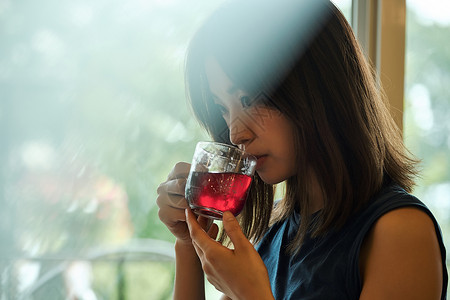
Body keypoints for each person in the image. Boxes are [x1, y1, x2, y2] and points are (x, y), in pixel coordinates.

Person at [156, 0, 448, 299]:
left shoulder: (400, 233)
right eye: (222, 109)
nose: (235, 132)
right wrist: (189, 245)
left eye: (247, 100)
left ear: (315, 88)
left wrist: (251, 293)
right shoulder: (272, 231)